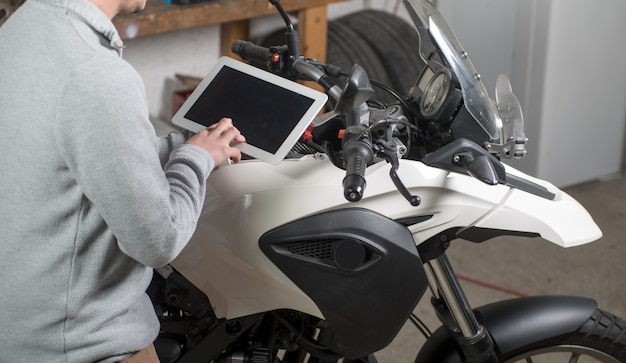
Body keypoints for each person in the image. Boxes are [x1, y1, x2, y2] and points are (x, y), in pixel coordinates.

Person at [0, 0, 246, 361]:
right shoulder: (94, 70)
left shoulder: (19, 31)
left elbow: (73, 149)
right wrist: (196, 161)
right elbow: (157, 241)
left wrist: (189, 147)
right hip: (81, 348)